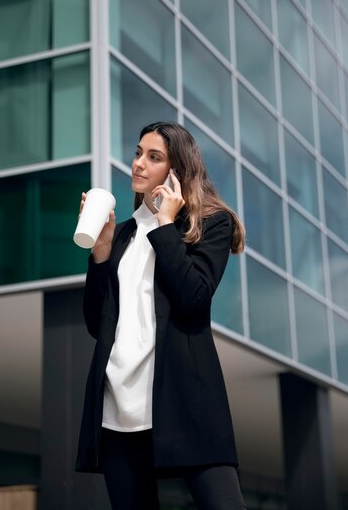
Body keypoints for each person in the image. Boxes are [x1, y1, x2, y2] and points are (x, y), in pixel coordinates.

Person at [75, 122, 247, 510]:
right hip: (119, 408)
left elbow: (193, 298)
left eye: (153, 157)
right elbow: (95, 324)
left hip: (185, 400)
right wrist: (100, 255)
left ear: (177, 171)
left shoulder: (208, 225)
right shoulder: (121, 235)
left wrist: (166, 223)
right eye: (138, 153)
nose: (138, 164)